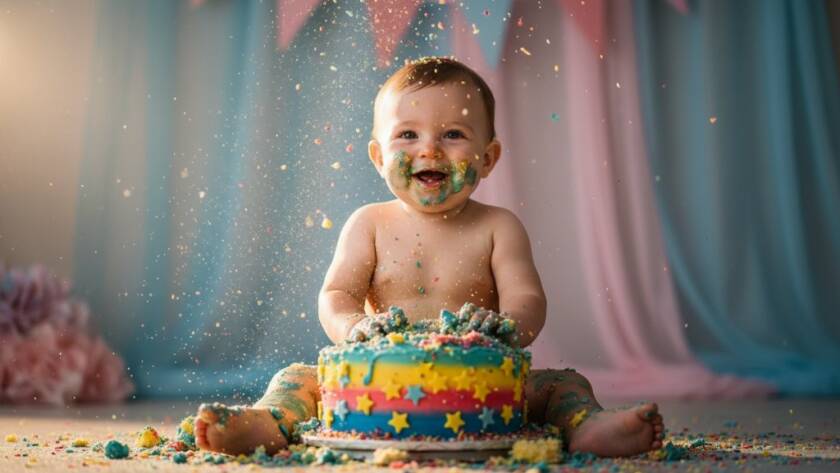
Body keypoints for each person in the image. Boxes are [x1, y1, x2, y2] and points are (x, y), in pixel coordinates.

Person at [195, 57, 664, 457]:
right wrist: (352, 328)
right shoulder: (369, 223)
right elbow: (336, 293)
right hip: (379, 381)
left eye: (454, 133)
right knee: (298, 378)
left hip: (478, 380)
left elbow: (528, 299)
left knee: (563, 384)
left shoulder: (498, 226)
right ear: (379, 157)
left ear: (489, 157)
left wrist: (505, 329)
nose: (430, 149)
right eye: (408, 135)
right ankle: (262, 424)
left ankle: (588, 427)